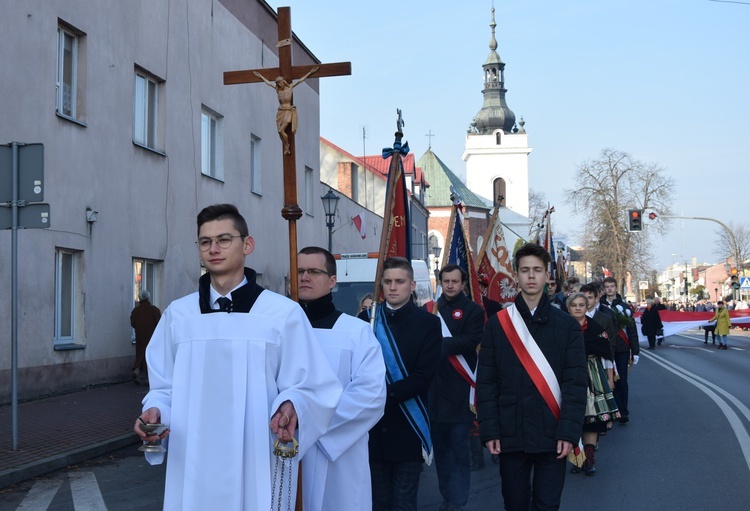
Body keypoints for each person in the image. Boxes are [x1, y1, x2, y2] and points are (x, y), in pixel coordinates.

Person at [134, 204, 342, 510]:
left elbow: (312, 386)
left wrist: (291, 405)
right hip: (193, 459)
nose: (213, 249)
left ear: (247, 245)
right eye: (205, 242)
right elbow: (163, 387)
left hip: (256, 456)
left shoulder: (281, 314)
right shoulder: (179, 315)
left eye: (224, 239)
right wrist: (154, 412)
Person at [476, 243, 587, 511]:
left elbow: (575, 384)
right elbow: (487, 382)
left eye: (537, 270)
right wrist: (489, 430)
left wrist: (569, 433)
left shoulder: (567, 327)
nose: (531, 276)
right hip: (510, 433)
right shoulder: (498, 324)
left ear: (548, 275)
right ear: (516, 275)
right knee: (514, 505)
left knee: (547, 505)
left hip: (553, 433)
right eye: (525, 270)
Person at [296, 246, 387, 511]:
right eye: (300, 271)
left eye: (314, 271)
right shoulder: (277, 330)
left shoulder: (355, 332)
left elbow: (371, 396)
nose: (305, 277)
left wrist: (311, 424)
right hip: (284, 449)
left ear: (333, 281)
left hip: (337, 453)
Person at [358, 256, 442, 511]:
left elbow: (423, 377)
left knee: (404, 503)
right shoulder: (366, 319)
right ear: (381, 285)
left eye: (400, 281)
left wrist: (383, 395)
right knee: (377, 502)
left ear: (412, 285)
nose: (393, 287)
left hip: (408, 426)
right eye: (388, 282)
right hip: (371, 429)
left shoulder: (428, 323)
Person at [427, 264, 485, 511]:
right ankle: (447, 496)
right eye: (446, 281)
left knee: (459, 449)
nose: (450, 285)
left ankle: (459, 499)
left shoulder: (473, 310)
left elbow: (471, 340)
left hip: (461, 389)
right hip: (435, 390)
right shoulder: (430, 310)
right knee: (441, 450)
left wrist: (438, 345)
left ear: (462, 283)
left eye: (455, 281)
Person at [565, 292, 619, 476]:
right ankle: (576, 457)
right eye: (575, 305)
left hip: (593, 373)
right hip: (569, 373)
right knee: (574, 416)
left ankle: (589, 457)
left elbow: (607, 355)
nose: (578, 308)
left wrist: (610, 378)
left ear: (586, 306)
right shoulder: (562, 327)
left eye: (582, 304)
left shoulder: (595, 328)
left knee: (592, 418)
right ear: (569, 308)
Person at [599, 276, 639, 424]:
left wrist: (635, 351)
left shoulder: (624, 307)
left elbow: (631, 330)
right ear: (604, 289)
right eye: (607, 286)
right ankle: (609, 410)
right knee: (607, 380)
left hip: (621, 348)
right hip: (605, 348)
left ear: (616, 288)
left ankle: (623, 411)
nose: (609, 289)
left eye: (612, 286)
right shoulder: (600, 306)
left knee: (621, 380)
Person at [253, 66, 319, 154]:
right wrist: (260, 76)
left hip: (288, 111)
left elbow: (300, 80)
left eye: (280, 82)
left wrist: (310, 72)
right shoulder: (278, 90)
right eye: (277, 83)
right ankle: (285, 145)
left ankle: (287, 145)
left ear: (283, 82)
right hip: (280, 111)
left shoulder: (290, 88)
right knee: (279, 132)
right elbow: (269, 83)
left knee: (281, 130)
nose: (279, 84)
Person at [129, 289, 161, 385]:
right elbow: (159, 324)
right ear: (148, 298)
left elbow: (133, 323)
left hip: (140, 336)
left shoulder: (136, 311)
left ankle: (136, 371)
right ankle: (148, 379)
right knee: (150, 357)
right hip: (152, 337)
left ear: (139, 298)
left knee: (140, 355)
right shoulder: (154, 310)